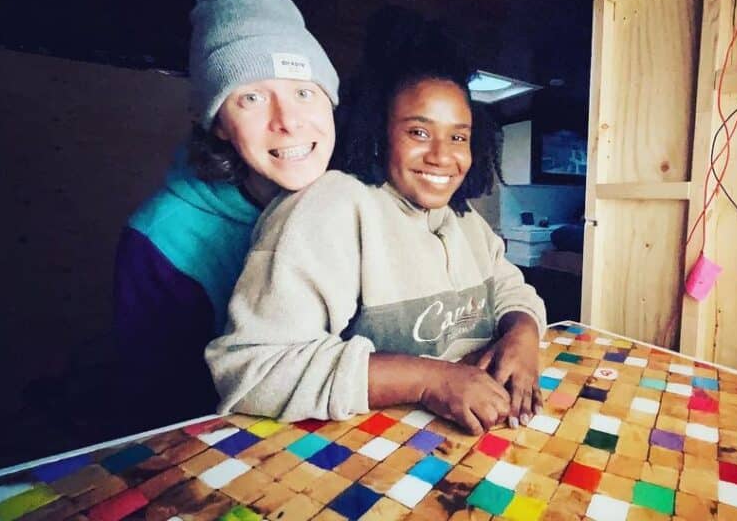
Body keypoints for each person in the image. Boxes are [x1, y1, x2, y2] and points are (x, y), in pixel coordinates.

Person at [206, 27, 547, 435]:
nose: (442, 155)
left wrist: (523, 333)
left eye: (458, 136)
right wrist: (429, 380)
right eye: (418, 132)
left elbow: (510, 288)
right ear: (379, 132)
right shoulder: (330, 206)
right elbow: (253, 370)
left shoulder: (466, 219)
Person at [112, 0, 339, 424]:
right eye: (251, 98)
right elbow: (157, 411)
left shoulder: (351, 201)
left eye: (302, 92)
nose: (289, 120)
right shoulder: (159, 242)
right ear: (216, 124)